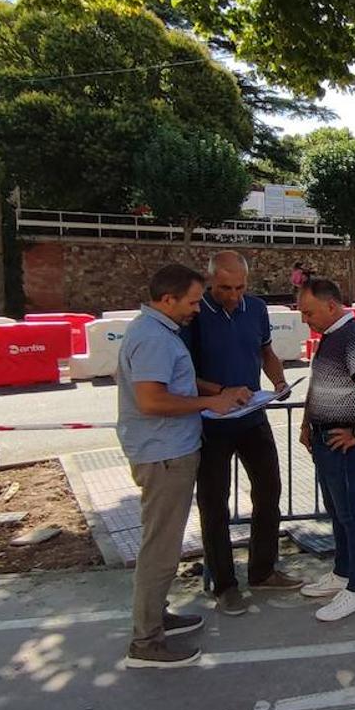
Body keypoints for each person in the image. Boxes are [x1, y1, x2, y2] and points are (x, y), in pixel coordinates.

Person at [117, 264, 250, 669]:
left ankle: (156, 618)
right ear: (167, 299)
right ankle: (146, 641)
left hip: (169, 451)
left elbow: (176, 383)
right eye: (193, 301)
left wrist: (219, 390)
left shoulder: (158, 332)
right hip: (164, 455)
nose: (197, 308)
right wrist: (210, 402)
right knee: (161, 548)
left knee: (163, 544)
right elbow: (153, 400)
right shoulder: (154, 338)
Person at [187, 251, 303, 616]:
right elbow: (182, 376)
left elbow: (266, 352)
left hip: (252, 416)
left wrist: (279, 381)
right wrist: (218, 393)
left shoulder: (255, 308)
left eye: (240, 287)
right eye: (225, 288)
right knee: (214, 503)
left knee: (269, 490)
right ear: (210, 282)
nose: (234, 295)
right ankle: (224, 584)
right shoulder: (194, 314)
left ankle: (263, 570)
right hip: (211, 422)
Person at [296, 278, 355, 622]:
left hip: (341, 443)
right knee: (337, 512)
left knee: (351, 515)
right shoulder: (331, 337)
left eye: (309, 312)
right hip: (323, 439)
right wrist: (306, 425)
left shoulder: (354, 338)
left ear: (331, 306)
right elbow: (319, 385)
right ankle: (342, 573)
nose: (306, 319)